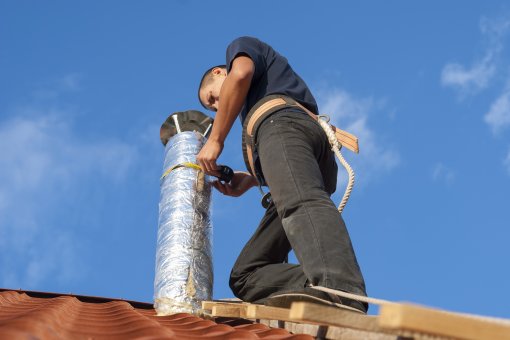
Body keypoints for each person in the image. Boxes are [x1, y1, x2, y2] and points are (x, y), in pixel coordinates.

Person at [196, 36, 368, 313]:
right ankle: (318, 286)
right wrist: (252, 180)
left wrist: (216, 139)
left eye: (213, 98)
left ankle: (341, 290)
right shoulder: (255, 108)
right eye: (213, 107)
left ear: (219, 73)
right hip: (298, 150)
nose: (218, 106)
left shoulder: (239, 49)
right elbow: (291, 161)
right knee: (246, 275)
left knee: (301, 204)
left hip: (284, 126)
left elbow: (240, 75)